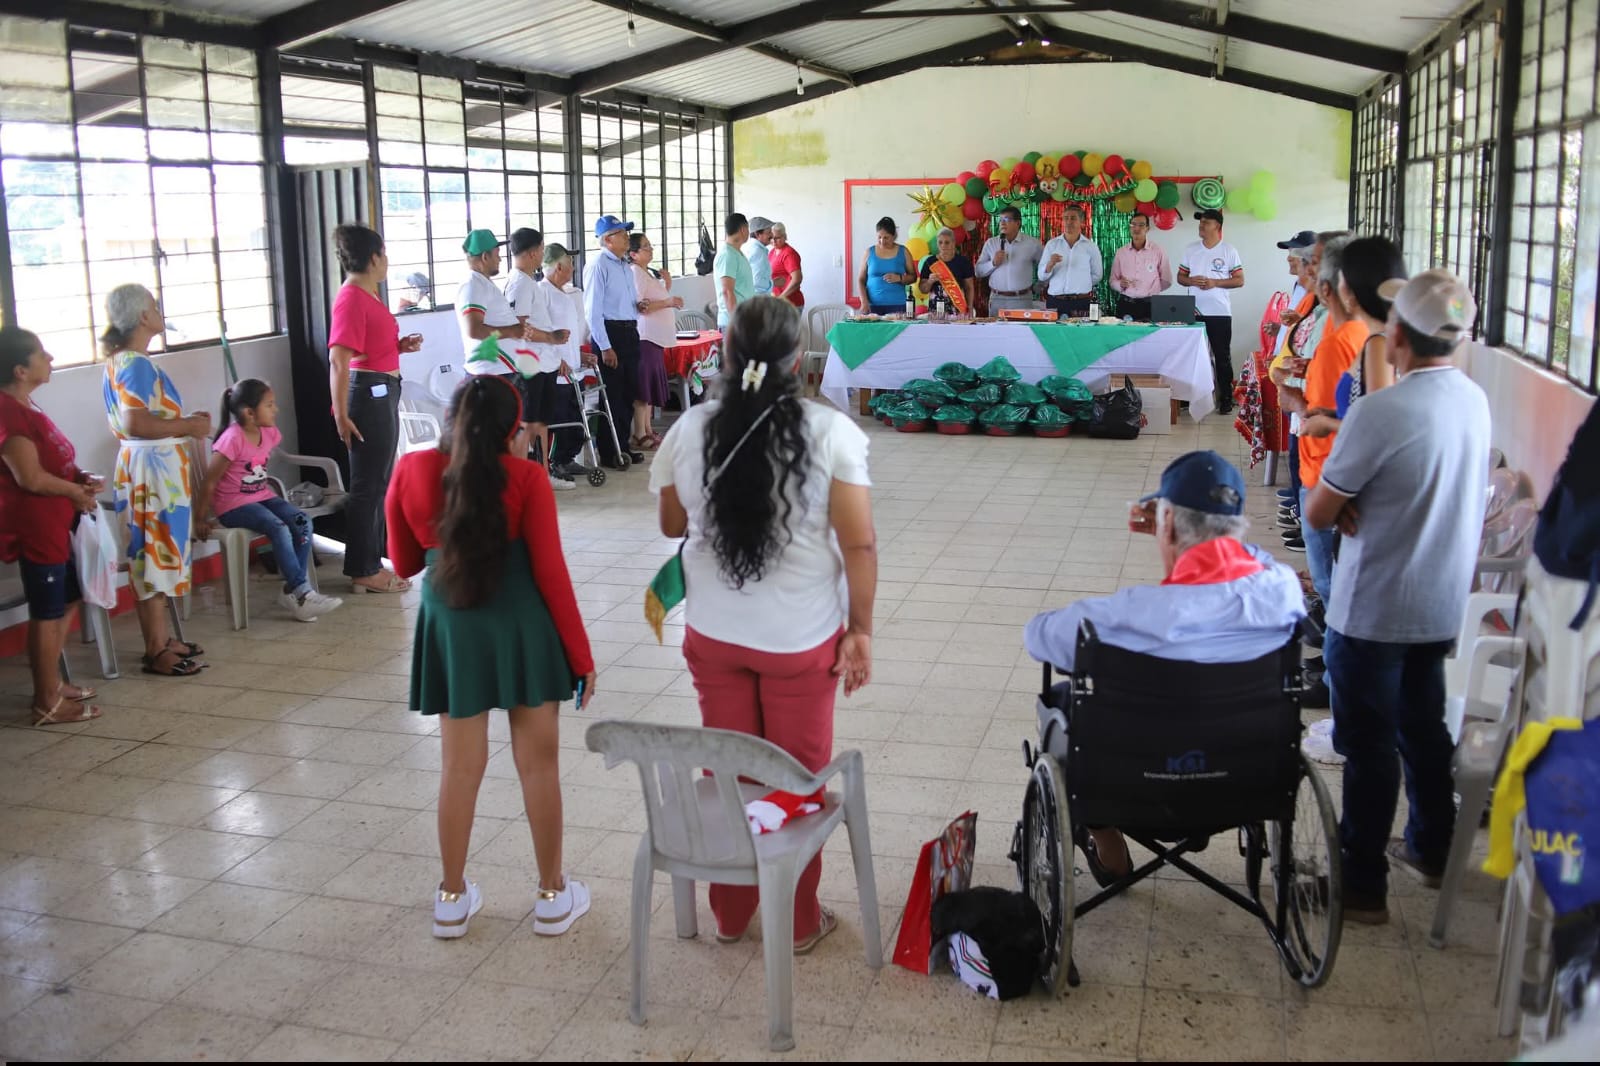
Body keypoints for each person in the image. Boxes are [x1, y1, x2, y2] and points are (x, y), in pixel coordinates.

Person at [649, 296, 878, 952]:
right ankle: (799, 920)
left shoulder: (692, 427)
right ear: (795, 360)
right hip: (800, 641)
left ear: (725, 354)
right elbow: (858, 544)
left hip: (714, 635)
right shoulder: (830, 432)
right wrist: (860, 629)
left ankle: (729, 914)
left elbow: (671, 524)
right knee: (795, 778)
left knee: (730, 772)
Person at [1303, 269, 1491, 925]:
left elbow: (1320, 511)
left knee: (1369, 745)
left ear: (1400, 336)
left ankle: (1361, 884)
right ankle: (1433, 849)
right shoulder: (1473, 400)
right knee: (1422, 728)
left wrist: (1345, 502)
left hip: (1375, 606)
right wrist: (1352, 500)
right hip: (1438, 603)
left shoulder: (1381, 411)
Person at [1024, 450, 1305, 880]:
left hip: (1128, 786)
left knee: (1064, 704)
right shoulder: (1281, 591)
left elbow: (1037, 636)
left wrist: (1166, 529)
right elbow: (1258, 562)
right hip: (1243, 779)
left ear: (1167, 522)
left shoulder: (1121, 617)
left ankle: (1107, 843)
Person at [386, 374, 598, 940]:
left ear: (451, 420)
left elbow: (403, 562)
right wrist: (580, 656)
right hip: (522, 623)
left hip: (452, 626)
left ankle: (451, 898)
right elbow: (551, 573)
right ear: (514, 430)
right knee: (539, 765)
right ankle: (552, 895)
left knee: (458, 768)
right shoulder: (527, 477)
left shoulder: (412, 469)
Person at [100, 283, 210, 677]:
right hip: (152, 471)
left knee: (155, 554)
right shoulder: (136, 364)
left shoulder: (123, 360)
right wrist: (189, 427)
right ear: (143, 316)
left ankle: (162, 639)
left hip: (152, 467)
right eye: (154, 306)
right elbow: (137, 423)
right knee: (151, 557)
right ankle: (155, 649)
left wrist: (184, 424)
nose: (160, 311)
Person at [0, 327, 103, 724]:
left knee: (68, 596)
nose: (50, 359)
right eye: (41, 354)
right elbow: (29, 477)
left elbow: (51, 461)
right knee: (46, 610)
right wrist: (74, 491)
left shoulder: (27, 405)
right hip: (36, 525)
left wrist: (79, 477)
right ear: (20, 370)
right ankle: (46, 702)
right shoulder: (9, 413)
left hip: (57, 521)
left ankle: (54, 683)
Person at [194, 379, 344, 623]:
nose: (276, 409)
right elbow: (209, 481)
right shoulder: (232, 439)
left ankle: (292, 591)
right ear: (249, 413)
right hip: (233, 506)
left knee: (302, 521)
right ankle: (302, 593)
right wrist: (200, 518)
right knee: (278, 527)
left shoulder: (269, 433)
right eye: (269, 405)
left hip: (261, 496)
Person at [327, 223, 425, 594]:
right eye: (384, 255)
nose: (386, 261)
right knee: (368, 484)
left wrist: (399, 347)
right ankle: (363, 568)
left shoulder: (367, 295)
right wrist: (341, 414)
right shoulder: (352, 297)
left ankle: (373, 560)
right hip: (368, 395)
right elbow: (339, 360)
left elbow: (367, 346)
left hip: (382, 389)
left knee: (379, 481)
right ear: (373, 258)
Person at [1283, 236, 1361, 614]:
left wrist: (1301, 405)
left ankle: (1333, 638)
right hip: (1334, 468)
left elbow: (1352, 417)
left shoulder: (1340, 340)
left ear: (1331, 287)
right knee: (1333, 572)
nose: (1307, 271)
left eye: (1314, 263)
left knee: (1330, 581)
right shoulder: (1357, 334)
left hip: (1325, 470)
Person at [456, 228, 540, 459]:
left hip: (502, 373)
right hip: (492, 375)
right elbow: (474, 329)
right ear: (485, 257)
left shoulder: (483, 284)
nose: (500, 259)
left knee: (510, 437)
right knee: (500, 439)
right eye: (497, 254)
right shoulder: (473, 286)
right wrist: (513, 330)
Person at [503, 227, 574, 488]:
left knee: (541, 421)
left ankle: (542, 474)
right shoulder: (521, 284)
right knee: (529, 423)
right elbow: (518, 328)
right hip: (532, 363)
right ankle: (527, 478)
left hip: (544, 361)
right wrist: (551, 338)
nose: (543, 255)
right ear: (533, 252)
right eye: (542, 250)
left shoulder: (526, 281)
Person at [586, 215, 647, 467]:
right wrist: (605, 346)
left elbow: (622, 302)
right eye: (621, 233)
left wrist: (638, 306)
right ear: (608, 239)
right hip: (610, 335)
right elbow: (593, 311)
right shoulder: (598, 265)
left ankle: (622, 446)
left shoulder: (624, 265)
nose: (626, 237)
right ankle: (610, 452)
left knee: (628, 393)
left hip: (629, 331)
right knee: (612, 396)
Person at [1177, 209, 1245, 414]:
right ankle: (1188, 398)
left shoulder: (1228, 250)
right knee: (1192, 356)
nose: (1201, 225)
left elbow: (1239, 280)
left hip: (1220, 312)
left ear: (1217, 226)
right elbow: (1181, 278)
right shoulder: (1191, 249)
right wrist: (1191, 280)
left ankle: (1225, 399)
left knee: (1222, 356)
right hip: (1194, 311)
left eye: (1206, 222)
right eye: (1201, 222)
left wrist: (1215, 282)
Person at [542, 245, 601, 478]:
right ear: (559, 267)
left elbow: (569, 335)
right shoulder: (543, 292)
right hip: (557, 372)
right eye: (571, 264)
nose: (573, 269)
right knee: (561, 422)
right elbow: (539, 335)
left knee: (577, 420)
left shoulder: (565, 294)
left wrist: (580, 355)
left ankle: (567, 459)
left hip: (574, 370)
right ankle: (555, 463)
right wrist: (556, 360)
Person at [628, 232, 682, 451]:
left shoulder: (645, 272)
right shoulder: (635, 273)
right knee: (643, 388)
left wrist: (666, 285)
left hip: (655, 338)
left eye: (650, 245)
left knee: (649, 387)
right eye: (645, 246)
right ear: (633, 254)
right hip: (646, 336)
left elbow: (655, 299)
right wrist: (668, 302)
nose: (650, 249)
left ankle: (648, 429)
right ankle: (639, 433)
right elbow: (641, 306)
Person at [1038, 205, 1104, 319]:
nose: (1069, 222)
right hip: (1056, 301)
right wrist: (1050, 264)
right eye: (1066, 218)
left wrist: (1080, 284)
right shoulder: (1052, 244)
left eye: (1073, 218)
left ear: (1082, 222)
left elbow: (1097, 275)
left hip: (1081, 302)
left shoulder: (1090, 247)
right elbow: (1041, 276)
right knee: (1053, 331)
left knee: (1081, 330)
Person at [975, 206, 1043, 313]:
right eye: (1000, 220)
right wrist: (993, 263)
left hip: (1022, 299)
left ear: (1018, 223)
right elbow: (978, 271)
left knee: (1022, 325)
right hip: (997, 299)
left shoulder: (1032, 243)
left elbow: (1045, 266)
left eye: (1007, 219)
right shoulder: (991, 243)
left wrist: (1038, 287)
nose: (1002, 223)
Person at [1108, 213, 1173, 321]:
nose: (1136, 228)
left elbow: (1167, 280)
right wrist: (1120, 284)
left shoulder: (1158, 251)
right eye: (1133, 225)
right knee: (1126, 332)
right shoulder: (1121, 252)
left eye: (1141, 225)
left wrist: (1151, 290)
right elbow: (1112, 280)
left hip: (1151, 305)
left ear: (1147, 228)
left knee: (1152, 332)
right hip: (1127, 304)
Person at [857, 216, 915, 316]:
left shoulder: (904, 251)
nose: (882, 241)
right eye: (879, 237)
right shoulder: (869, 252)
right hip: (872, 306)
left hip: (898, 305)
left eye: (886, 238)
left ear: (894, 236)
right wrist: (864, 301)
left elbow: (913, 277)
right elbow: (861, 280)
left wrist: (900, 278)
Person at [915, 227, 976, 316]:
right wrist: (929, 281)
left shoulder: (963, 262)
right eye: (940, 242)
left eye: (947, 242)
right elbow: (923, 290)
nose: (943, 245)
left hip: (958, 310)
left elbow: (969, 287)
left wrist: (970, 307)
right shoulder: (930, 262)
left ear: (953, 243)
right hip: (935, 312)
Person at [714, 212, 755, 328]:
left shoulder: (736, 253)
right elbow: (727, 291)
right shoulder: (727, 255)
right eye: (748, 228)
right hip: (734, 323)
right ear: (743, 229)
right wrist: (736, 322)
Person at [769, 223, 804, 309]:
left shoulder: (789, 254)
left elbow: (797, 280)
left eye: (777, 238)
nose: (774, 241)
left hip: (790, 303)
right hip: (777, 301)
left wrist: (781, 298)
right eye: (771, 238)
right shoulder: (772, 252)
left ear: (784, 236)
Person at [746, 216, 775, 297]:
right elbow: (757, 282)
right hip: (759, 299)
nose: (772, 235)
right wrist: (774, 283)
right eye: (769, 232)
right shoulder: (758, 252)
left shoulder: (753, 248)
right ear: (757, 234)